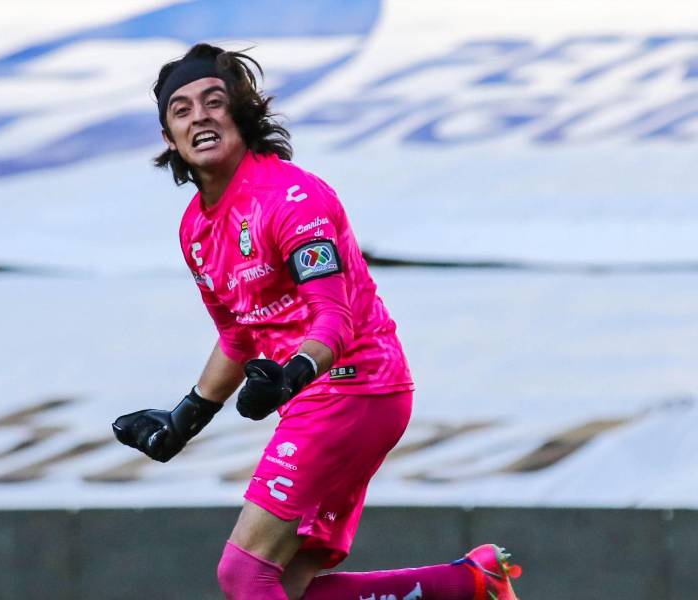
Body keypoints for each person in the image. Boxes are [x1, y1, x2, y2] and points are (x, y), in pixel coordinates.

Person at [112, 43, 522, 600]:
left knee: (242, 574)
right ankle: (468, 584)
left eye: (214, 101)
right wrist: (182, 422)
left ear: (241, 113)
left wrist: (291, 375)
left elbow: (335, 317)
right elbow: (238, 335)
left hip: (353, 389)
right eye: (181, 110)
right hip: (325, 396)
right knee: (286, 587)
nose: (200, 116)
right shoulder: (195, 229)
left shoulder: (291, 198)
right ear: (169, 140)